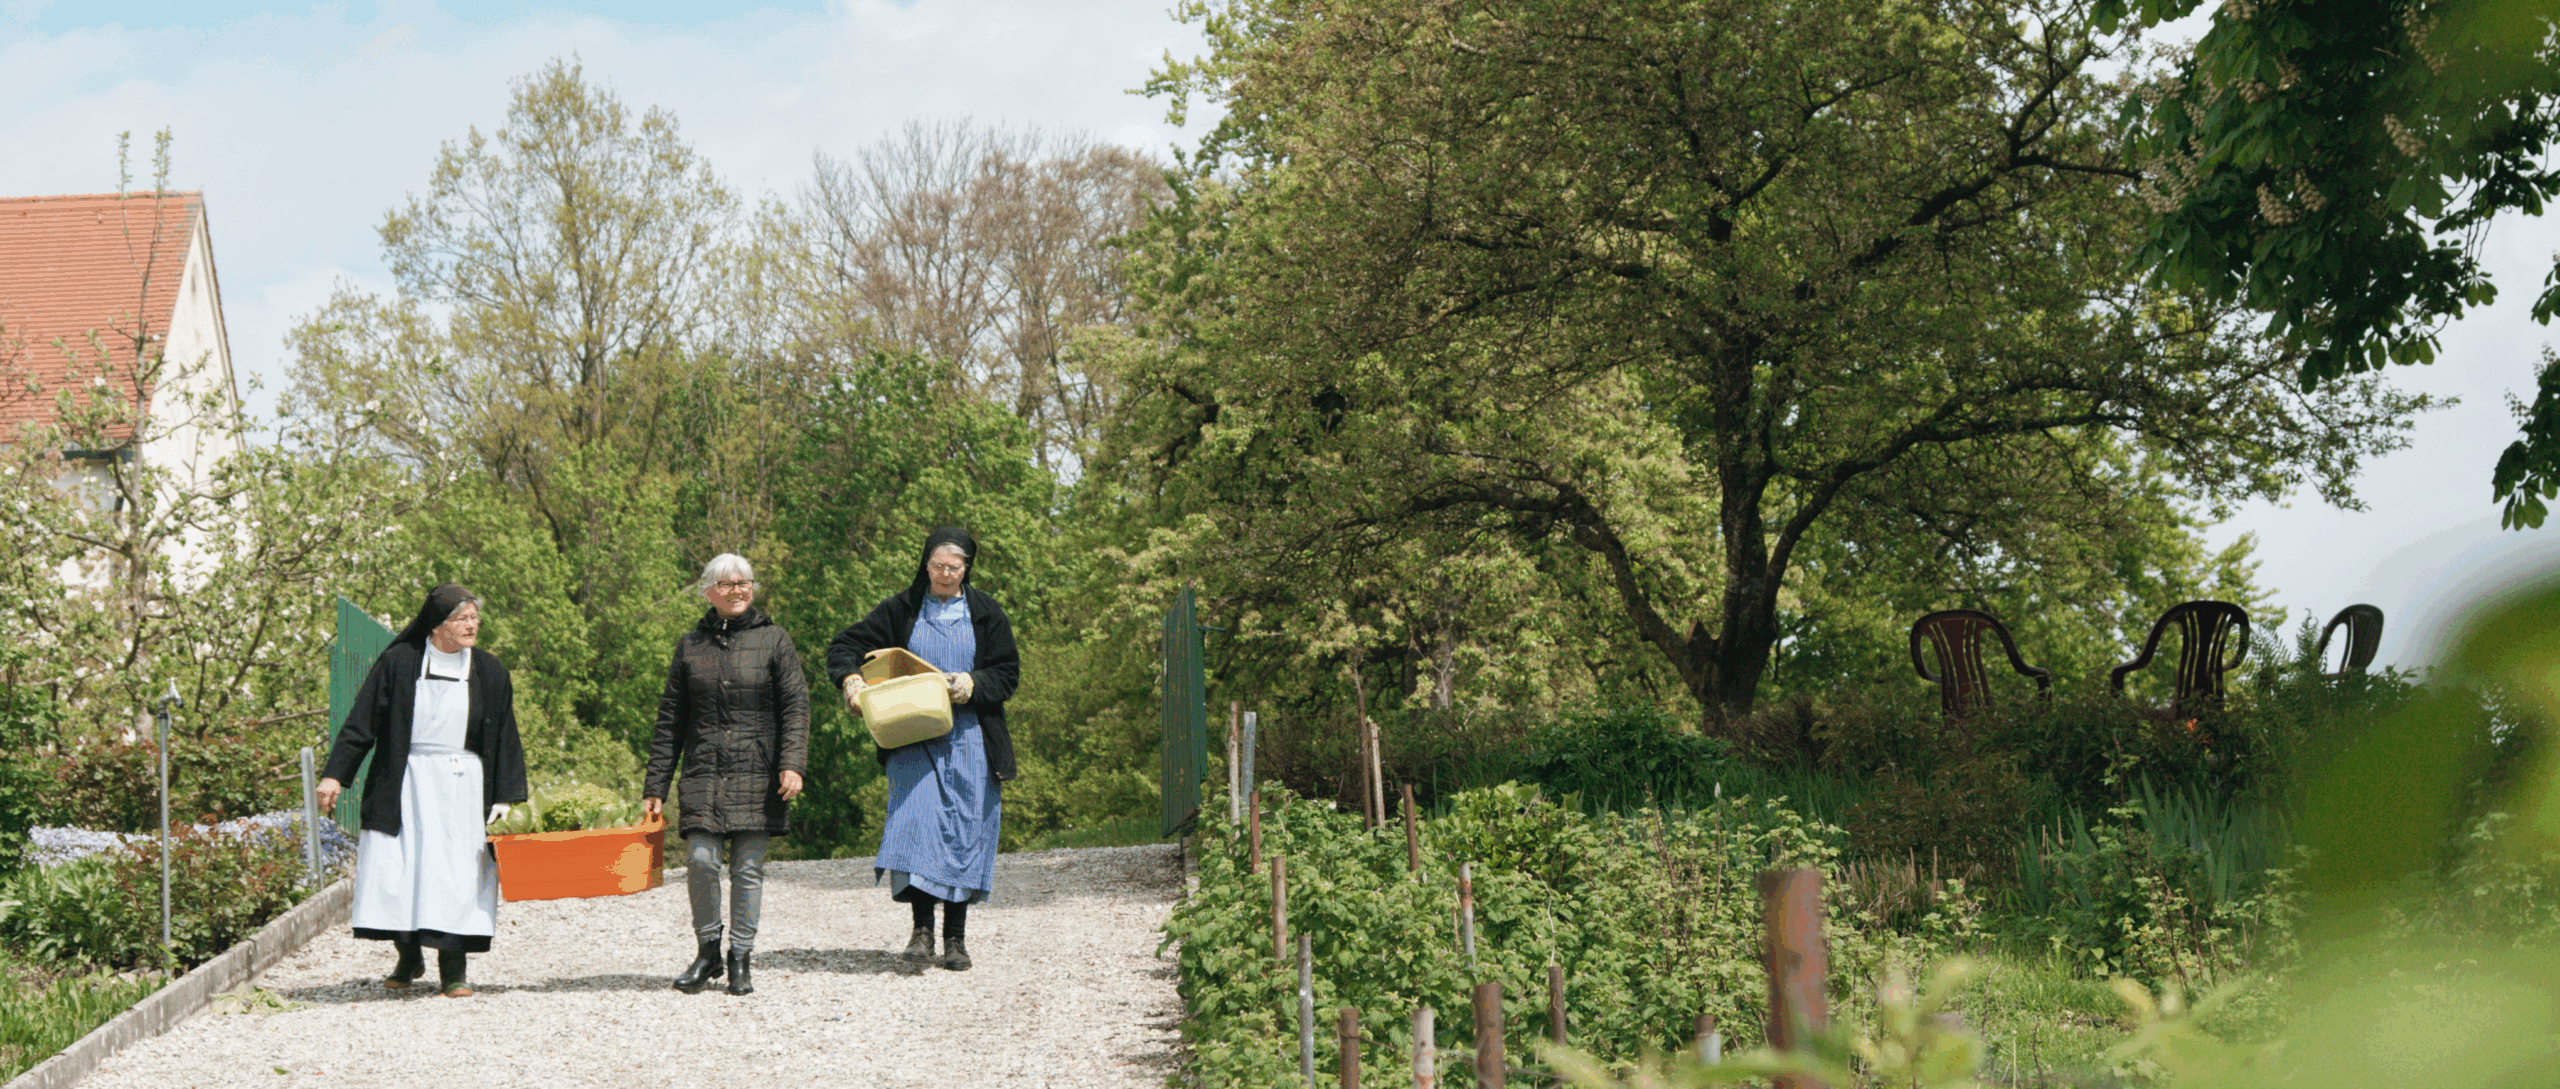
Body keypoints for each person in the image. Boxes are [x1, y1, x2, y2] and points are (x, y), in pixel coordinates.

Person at [316, 584, 528, 998]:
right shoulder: (399, 662)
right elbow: (362, 722)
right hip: (405, 780)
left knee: (457, 874)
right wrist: (335, 776)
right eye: (463, 619)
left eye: (475, 618)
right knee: (400, 869)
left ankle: (454, 970)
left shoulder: (490, 671)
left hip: (464, 786)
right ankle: (408, 956)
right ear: (437, 625)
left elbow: (506, 735)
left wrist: (505, 797)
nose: (472, 626)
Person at [826, 527, 1020, 971]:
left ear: (967, 568)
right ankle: (921, 932)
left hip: (971, 738)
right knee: (916, 827)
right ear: (925, 565)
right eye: (937, 566)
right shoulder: (902, 608)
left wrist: (973, 683)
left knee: (965, 832)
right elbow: (844, 645)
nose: (945, 574)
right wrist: (852, 680)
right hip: (912, 737)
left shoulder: (987, 613)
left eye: (954, 567)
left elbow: (1007, 673)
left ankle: (955, 938)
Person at [644, 554, 811, 996]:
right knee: (700, 862)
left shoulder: (774, 639)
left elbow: (796, 707)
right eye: (727, 583)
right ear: (708, 591)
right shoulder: (690, 646)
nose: (737, 590)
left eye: (744, 582)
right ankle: (708, 953)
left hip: (759, 771)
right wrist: (656, 784)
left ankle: (741, 957)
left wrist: (792, 763)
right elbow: (670, 720)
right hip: (703, 771)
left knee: (747, 869)